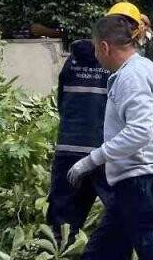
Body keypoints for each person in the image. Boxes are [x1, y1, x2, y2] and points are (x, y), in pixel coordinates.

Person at [69, 12, 153, 259]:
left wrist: (91, 160)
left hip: (143, 182)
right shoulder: (141, 70)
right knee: (103, 251)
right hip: (134, 184)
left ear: (104, 46)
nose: (97, 57)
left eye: (96, 50)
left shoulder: (132, 76)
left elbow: (139, 132)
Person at [46, 38, 111, 243]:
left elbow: (62, 102)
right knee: (121, 212)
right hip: (105, 151)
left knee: (63, 220)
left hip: (69, 147)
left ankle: (61, 251)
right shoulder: (115, 66)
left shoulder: (71, 63)